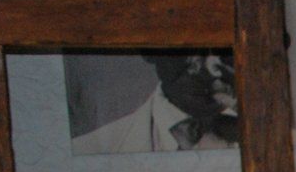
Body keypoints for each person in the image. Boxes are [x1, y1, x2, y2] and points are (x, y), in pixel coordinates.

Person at [71, 49, 239, 153]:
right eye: (192, 45)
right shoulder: (87, 150)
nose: (215, 67)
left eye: (224, 47)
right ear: (150, 50)